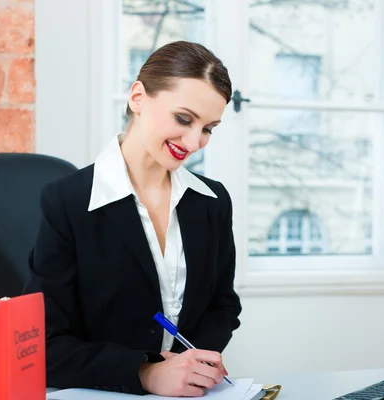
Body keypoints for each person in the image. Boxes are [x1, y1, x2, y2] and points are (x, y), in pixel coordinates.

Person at [22, 40, 242, 397]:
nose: (193, 141)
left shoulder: (212, 202)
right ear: (137, 97)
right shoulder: (67, 202)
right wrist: (147, 373)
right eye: (183, 119)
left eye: (208, 128)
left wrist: (191, 365)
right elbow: (44, 344)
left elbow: (223, 306)